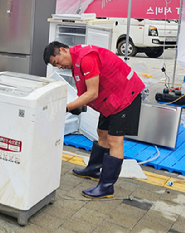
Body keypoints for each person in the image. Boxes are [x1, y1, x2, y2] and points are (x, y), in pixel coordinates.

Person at [43, 41, 144, 199]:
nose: (59, 67)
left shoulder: (86, 58)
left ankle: (106, 187)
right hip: (110, 99)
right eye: (55, 66)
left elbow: (92, 93)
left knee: (114, 141)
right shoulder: (76, 61)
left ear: (62, 50)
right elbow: (86, 91)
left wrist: (67, 107)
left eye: (57, 62)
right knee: (101, 133)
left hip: (125, 96)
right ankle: (94, 169)